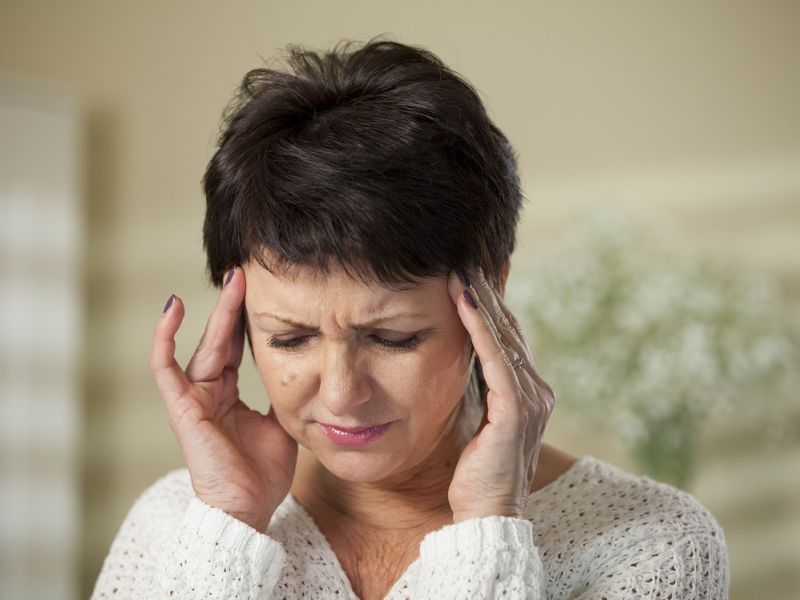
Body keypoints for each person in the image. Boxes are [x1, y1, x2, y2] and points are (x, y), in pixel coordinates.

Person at [91, 37, 729, 599]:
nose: (341, 393)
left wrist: (489, 527)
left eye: (393, 338)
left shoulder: (653, 545)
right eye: (289, 338)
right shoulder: (176, 523)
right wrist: (228, 527)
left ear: (491, 292)